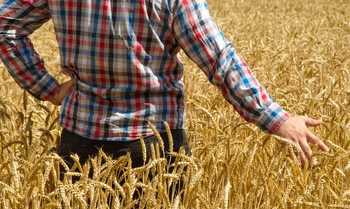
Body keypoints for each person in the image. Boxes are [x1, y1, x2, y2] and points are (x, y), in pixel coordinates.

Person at [0, 0, 328, 185]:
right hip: (155, 149)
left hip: (80, 143)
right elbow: (220, 62)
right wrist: (277, 119)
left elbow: (5, 25)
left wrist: (49, 89)